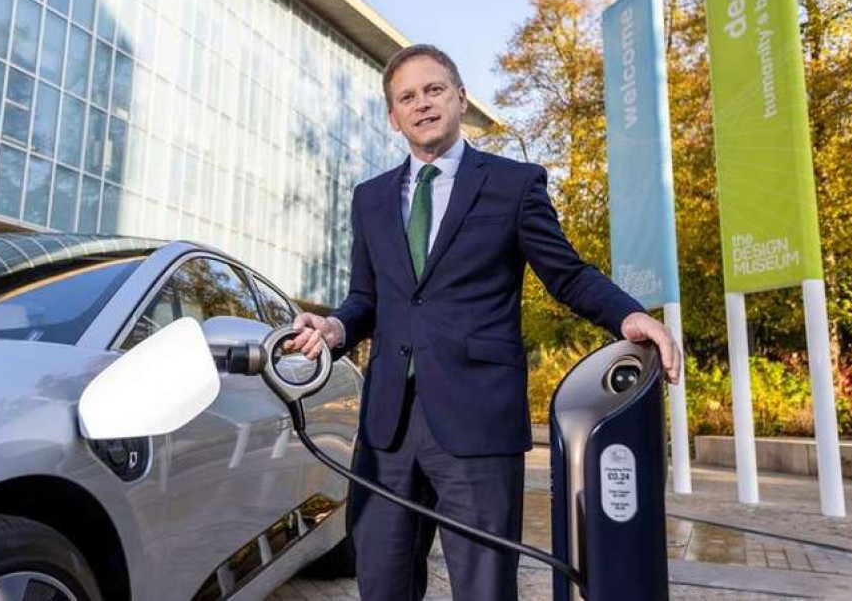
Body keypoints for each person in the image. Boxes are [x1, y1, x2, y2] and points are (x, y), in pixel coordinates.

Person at [283, 44, 680, 600]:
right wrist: (335, 330)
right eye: (407, 97)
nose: (422, 104)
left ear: (461, 98)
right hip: (387, 429)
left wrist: (629, 316)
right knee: (381, 584)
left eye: (434, 89)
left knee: (484, 589)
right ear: (393, 116)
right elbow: (367, 299)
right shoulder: (370, 199)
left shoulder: (513, 184)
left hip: (478, 423)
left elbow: (566, 274)